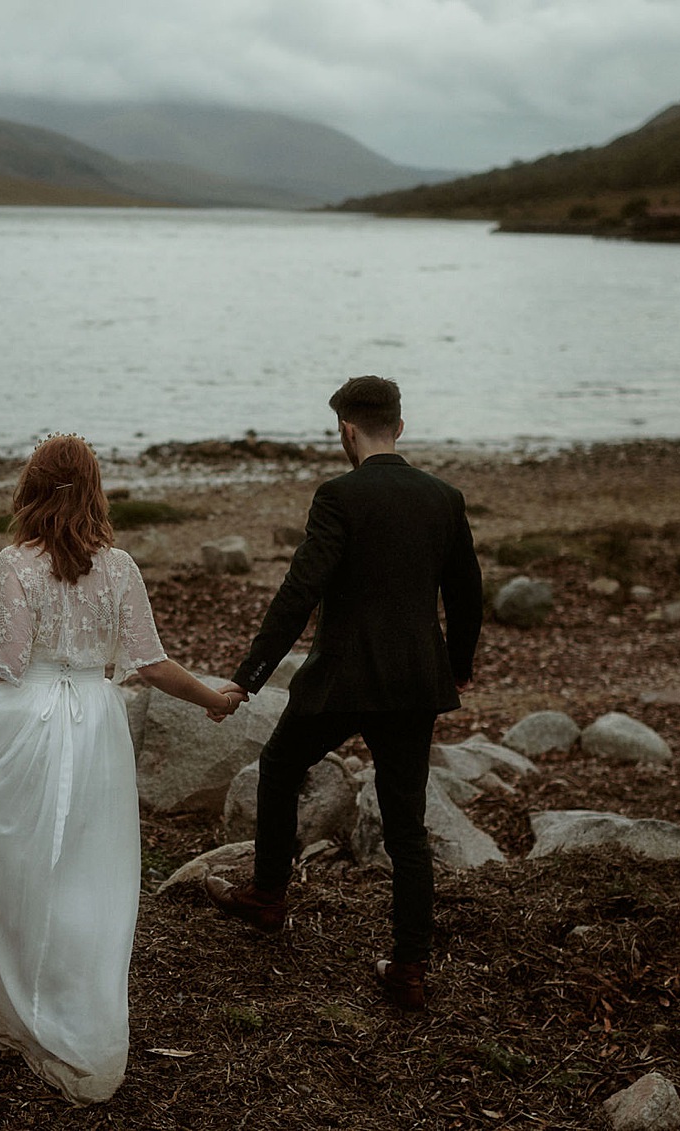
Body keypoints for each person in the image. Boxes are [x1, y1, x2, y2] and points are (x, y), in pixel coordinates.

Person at [0, 433, 243, 1104]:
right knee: (89, 866)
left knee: (18, 855)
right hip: (96, 723)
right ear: (96, 490)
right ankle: (83, 1012)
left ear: (32, 490)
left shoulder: (16, 561)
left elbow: (6, 662)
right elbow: (150, 663)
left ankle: (20, 987)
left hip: (32, 719)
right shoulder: (119, 565)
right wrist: (212, 698)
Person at [203, 376, 482, 1012]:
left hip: (342, 680)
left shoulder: (338, 496)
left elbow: (300, 591)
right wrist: (458, 665)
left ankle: (268, 897)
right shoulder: (444, 498)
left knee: (278, 770)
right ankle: (409, 969)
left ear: (347, 431)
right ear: (400, 429)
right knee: (406, 828)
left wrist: (249, 675)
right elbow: (467, 592)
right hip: (414, 683)